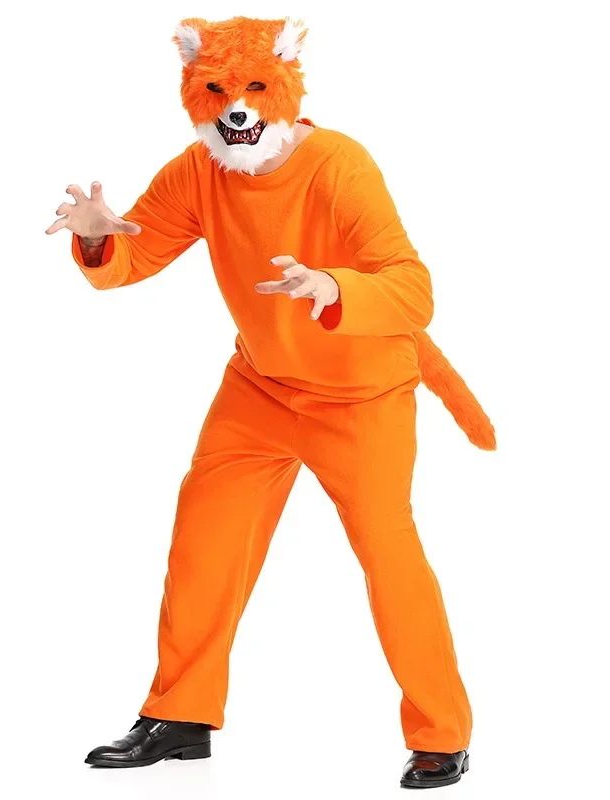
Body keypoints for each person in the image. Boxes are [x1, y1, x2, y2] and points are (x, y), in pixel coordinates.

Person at [45, 16, 494, 790]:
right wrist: (94, 238)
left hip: (361, 395)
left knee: (388, 556)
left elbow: (413, 290)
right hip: (260, 386)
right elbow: (135, 253)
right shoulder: (200, 171)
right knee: (204, 542)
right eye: (219, 91)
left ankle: (441, 732)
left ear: (284, 87)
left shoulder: (340, 165)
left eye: (254, 88)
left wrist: (332, 286)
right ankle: (180, 716)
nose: (236, 107)